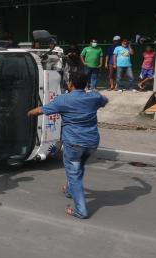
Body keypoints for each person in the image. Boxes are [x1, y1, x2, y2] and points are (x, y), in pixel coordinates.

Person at [27, 72, 108, 219]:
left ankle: (80, 210)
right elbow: (105, 100)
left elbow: (41, 111)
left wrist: (29, 112)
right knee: (78, 167)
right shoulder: (94, 97)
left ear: (71, 84)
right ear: (86, 84)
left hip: (74, 143)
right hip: (92, 143)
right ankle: (70, 190)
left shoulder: (63, 99)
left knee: (74, 172)